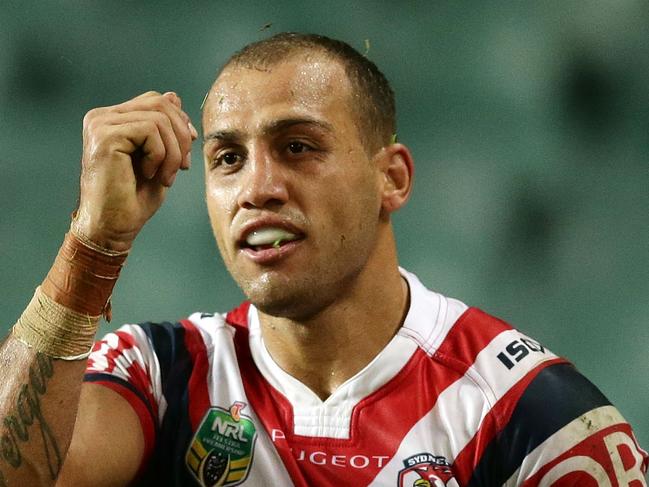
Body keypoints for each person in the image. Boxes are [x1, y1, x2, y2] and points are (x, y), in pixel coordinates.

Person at [0, 33, 646, 487]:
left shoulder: (527, 413)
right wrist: (93, 245)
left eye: (298, 146)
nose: (256, 187)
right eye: (227, 158)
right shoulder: (162, 373)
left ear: (391, 177)